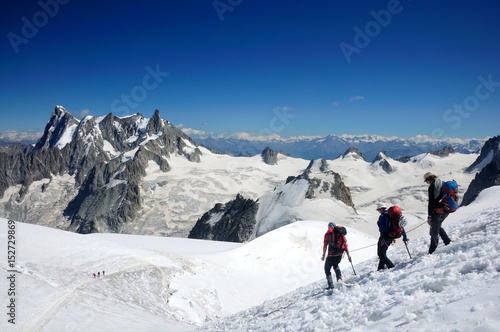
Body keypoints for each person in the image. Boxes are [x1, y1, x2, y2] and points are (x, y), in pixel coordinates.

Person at [424, 172, 451, 254]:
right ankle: (447, 241)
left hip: (438, 211)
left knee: (434, 232)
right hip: (446, 210)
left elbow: (431, 203)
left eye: (426, 181)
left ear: (429, 179)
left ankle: (432, 251)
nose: (426, 183)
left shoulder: (432, 187)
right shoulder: (441, 183)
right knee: (437, 225)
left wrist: (429, 216)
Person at [377, 205, 408, 271]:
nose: (378, 211)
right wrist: (405, 236)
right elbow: (401, 227)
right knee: (383, 252)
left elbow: (382, 229)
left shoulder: (383, 216)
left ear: (381, 209)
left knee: (381, 254)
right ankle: (380, 268)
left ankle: (391, 267)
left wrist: (378, 224)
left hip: (385, 237)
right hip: (392, 236)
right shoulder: (392, 216)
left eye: (378, 209)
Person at [321, 222, 352, 290]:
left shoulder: (328, 233)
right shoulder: (341, 234)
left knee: (327, 269)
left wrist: (323, 255)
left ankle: (331, 286)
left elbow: (325, 245)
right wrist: (349, 256)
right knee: (336, 265)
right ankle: (339, 279)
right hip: (339, 254)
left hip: (331, 254)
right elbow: (345, 245)